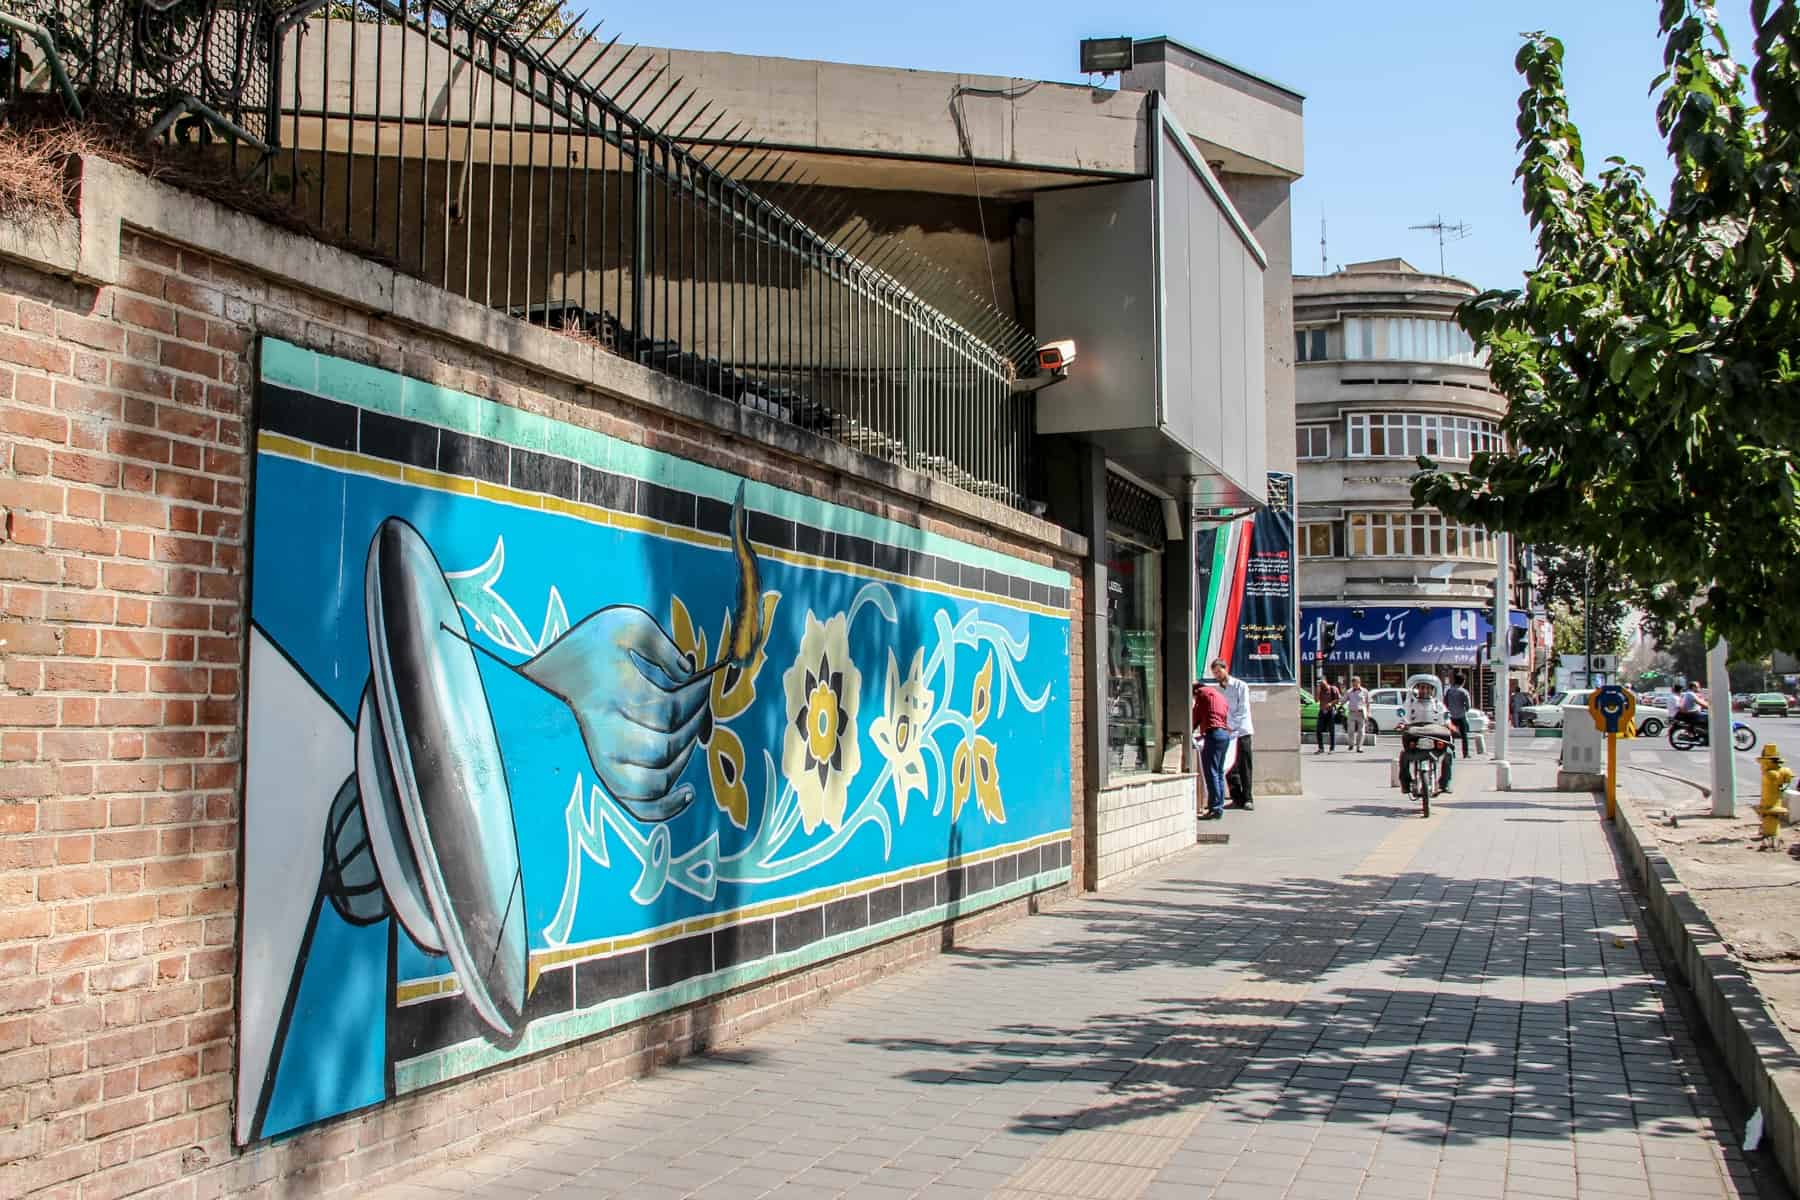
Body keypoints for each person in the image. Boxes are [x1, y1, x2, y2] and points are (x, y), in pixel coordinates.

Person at [1211, 658, 1255, 810]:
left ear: (1225, 669)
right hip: (1227, 733)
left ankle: (1248, 798)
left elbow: (1243, 710)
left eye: (1219, 671)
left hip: (1242, 731)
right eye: (1215, 673)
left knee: (1245, 765)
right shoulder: (1218, 690)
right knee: (1229, 766)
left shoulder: (1240, 686)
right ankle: (1237, 798)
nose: (1217, 675)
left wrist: (1232, 726)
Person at [1399, 679, 1455, 792]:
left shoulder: (1438, 704)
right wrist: (1402, 724)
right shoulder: (1410, 703)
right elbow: (1404, 716)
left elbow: (1445, 717)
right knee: (1404, 756)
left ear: (1432, 690)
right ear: (1417, 689)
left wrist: (1448, 724)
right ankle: (1406, 784)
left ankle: (1445, 783)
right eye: (1421, 688)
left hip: (1434, 735)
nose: (1424, 690)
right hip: (1415, 735)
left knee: (1448, 753)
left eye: (1427, 688)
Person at [1192, 682, 1231, 821]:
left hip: (1213, 735)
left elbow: (1195, 716)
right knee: (1219, 772)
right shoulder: (1219, 696)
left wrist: (1189, 728)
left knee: (1211, 772)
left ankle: (1214, 808)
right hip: (1224, 735)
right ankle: (1219, 807)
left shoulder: (1202, 694)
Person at [1443, 673, 1473, 757]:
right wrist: (1465, 709)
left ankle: (1451, 752)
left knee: (1450, 735)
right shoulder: (1464, 692)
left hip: (1451, 716)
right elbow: (1468, 706)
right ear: (1463, 681)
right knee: (1464, 736)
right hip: (1461, 716)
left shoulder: (1449, 691)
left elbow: (1445, 703)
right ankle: (1465, 753)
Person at [1314, 676, 1341, 753]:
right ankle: (1321, 748)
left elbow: (1338, 699)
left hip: (1330, 711)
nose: (1321, 684)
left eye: (1322, 682)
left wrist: (1330, 703)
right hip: (1322, 711)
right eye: (1320, 683)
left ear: (1326, 681)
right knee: (1318, 730)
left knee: (1331, 730)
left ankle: (1332, 748)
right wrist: (1318, 691)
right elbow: (1316, 700)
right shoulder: (1320, 690)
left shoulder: (1333, 689)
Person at [1344, 676, 1370, 753]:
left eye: (1355, 684)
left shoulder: (1365, 691)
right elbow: (1343, 700)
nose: (1354, 686)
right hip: (1351, 713)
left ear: (1359, 683)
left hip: (1361, 713)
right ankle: (1351, 744)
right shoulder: (1349, 692)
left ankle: (1359, 747)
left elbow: (1368, 703)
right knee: (1350, 730)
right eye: (1353, 684)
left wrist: (1368, 713)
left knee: (1361, 731)